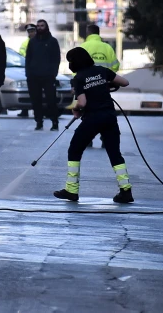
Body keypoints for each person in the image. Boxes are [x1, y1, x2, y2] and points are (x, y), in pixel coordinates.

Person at [53, 47, 133, 203]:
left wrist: (76, 109)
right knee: (114, 154)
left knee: (75, 149)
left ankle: (71, 190)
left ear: (75, 62)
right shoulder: (102, 70)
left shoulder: (78, 78)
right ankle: (126, 191)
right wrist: (104, 84)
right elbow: (125, 82)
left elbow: (82, 102)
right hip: (109, 117)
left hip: (92, 119)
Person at [80, 24, 120, 148]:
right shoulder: (107, 48)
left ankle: (88, 138)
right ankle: (105, 138)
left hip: (87, 86)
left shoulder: (83, 47)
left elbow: (76, 69)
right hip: (104, 86)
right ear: (98, 33)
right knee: (105, 111)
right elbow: (115, 66)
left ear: (88, 33)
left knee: (88, 112)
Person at [25, 19, 61, 131]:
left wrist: (53, 73)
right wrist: (28, 74)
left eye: (42, 26)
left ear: (46, 27)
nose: (40, 28)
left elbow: (56, 59)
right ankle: (39, 121)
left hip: (48, 77)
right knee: (36, 100)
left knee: (51, 100)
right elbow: (28, 58)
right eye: (38, 26)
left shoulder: (52, 41)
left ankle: (54, 121)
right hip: (34, 77)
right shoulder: (32, 42)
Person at [17, 24, 36, 118]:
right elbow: (22, 55)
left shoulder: (39, 41)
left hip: (36, 69)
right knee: (27, 91)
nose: (31, 33)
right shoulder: (25, 43)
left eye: (32, 31)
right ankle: (25, 110)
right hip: (27, 68)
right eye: (29, 31)